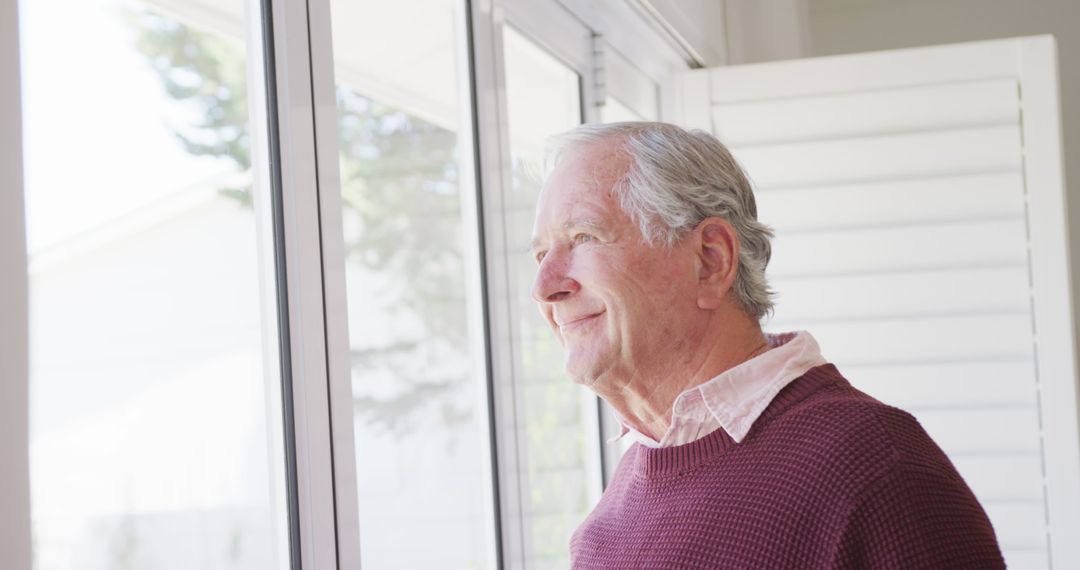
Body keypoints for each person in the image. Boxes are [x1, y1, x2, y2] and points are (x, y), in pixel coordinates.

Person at [529, 122, 1004, 569]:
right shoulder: (608, 521)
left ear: (711, 261)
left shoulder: (874, 466)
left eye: (583, 237)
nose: (544, 286)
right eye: (540, 254)